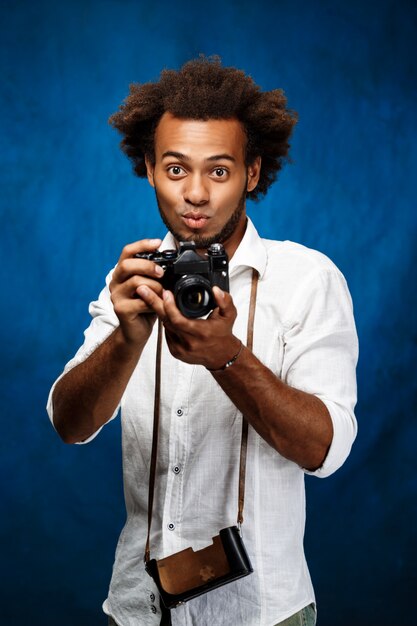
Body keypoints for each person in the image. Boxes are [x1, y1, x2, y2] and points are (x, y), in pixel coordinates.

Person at [47, 56, 358, 626]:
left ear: (253, 172)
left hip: (261, 613)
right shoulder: (135, 279)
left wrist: (227, 357)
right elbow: (69, 424)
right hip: (137, 609)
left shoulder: (309, 280)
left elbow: (326, 450)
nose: (195, 194)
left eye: (218, 171)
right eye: (175, 169)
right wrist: (127, 339)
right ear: (148, 167)